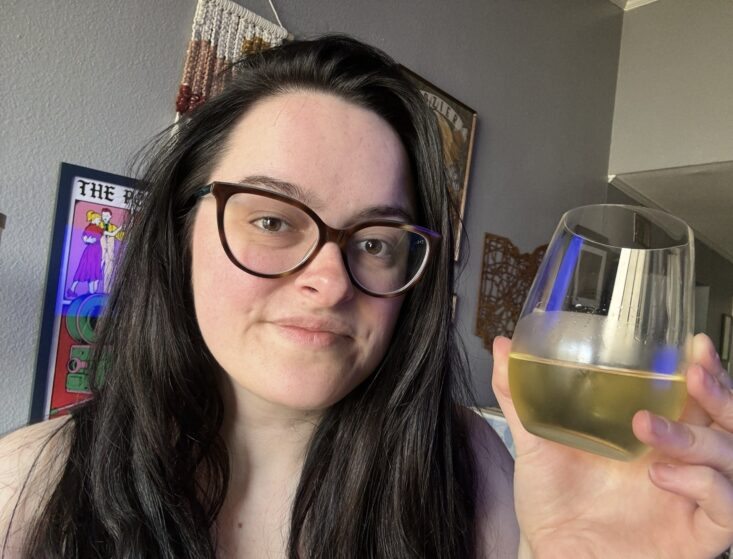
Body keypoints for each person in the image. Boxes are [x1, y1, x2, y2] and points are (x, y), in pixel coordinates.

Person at [0, 35, 731, 559]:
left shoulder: (476, 473)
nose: (331, 279)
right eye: (272, 220)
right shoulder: (24, 488)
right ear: (178, 231)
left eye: (376, 241)